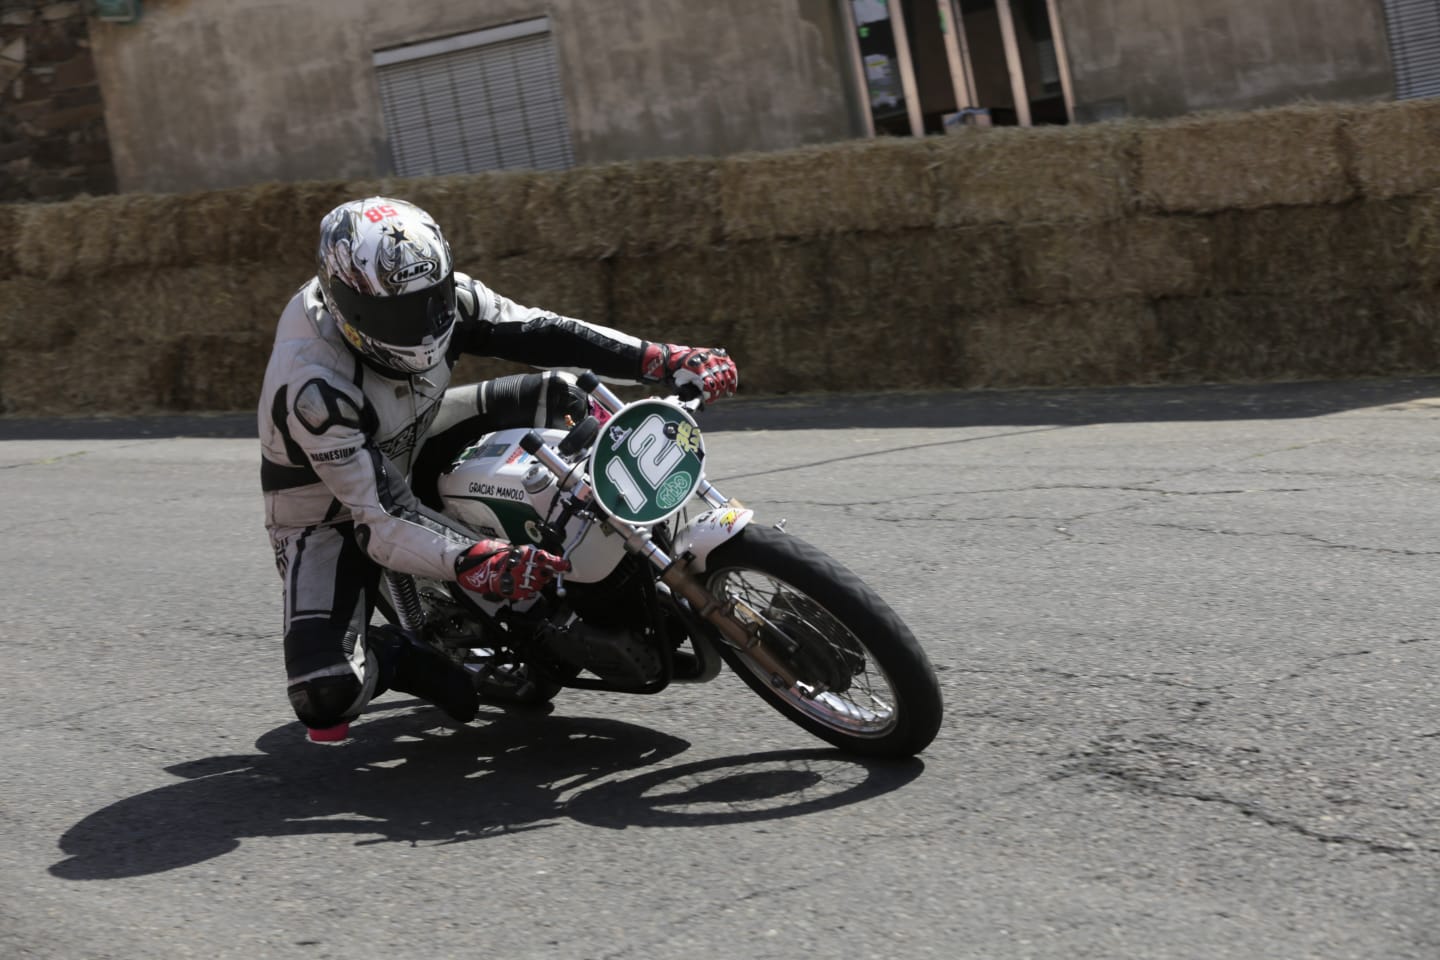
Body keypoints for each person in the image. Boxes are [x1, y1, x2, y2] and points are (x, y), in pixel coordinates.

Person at [257, 196, 738, 742]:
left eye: (432, 301)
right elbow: (380, 518)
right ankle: (398, 654)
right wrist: (472, 559)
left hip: (417, 433)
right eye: (398, 315)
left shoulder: (449, 297)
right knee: (325, 692)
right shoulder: (313, 386)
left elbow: (544, 330)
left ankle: (619, 555)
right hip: (334, 511)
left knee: (566, 394)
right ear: (347, 306)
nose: (423, 327)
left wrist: (664, 359)